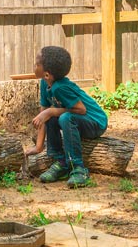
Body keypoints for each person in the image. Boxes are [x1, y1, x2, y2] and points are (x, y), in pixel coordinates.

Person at [32, 46, 108, 188]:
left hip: (95, 122)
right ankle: (61, 163)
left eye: (36, 64)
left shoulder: (60, 87)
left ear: (47, 74)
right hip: (76, 120)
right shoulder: (44, 83)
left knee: (65, 117)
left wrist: (51, 112)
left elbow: (81, 109)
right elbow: (44, 114)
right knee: (56, 117)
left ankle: (78, 168)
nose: (34, 66)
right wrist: (38, 146)